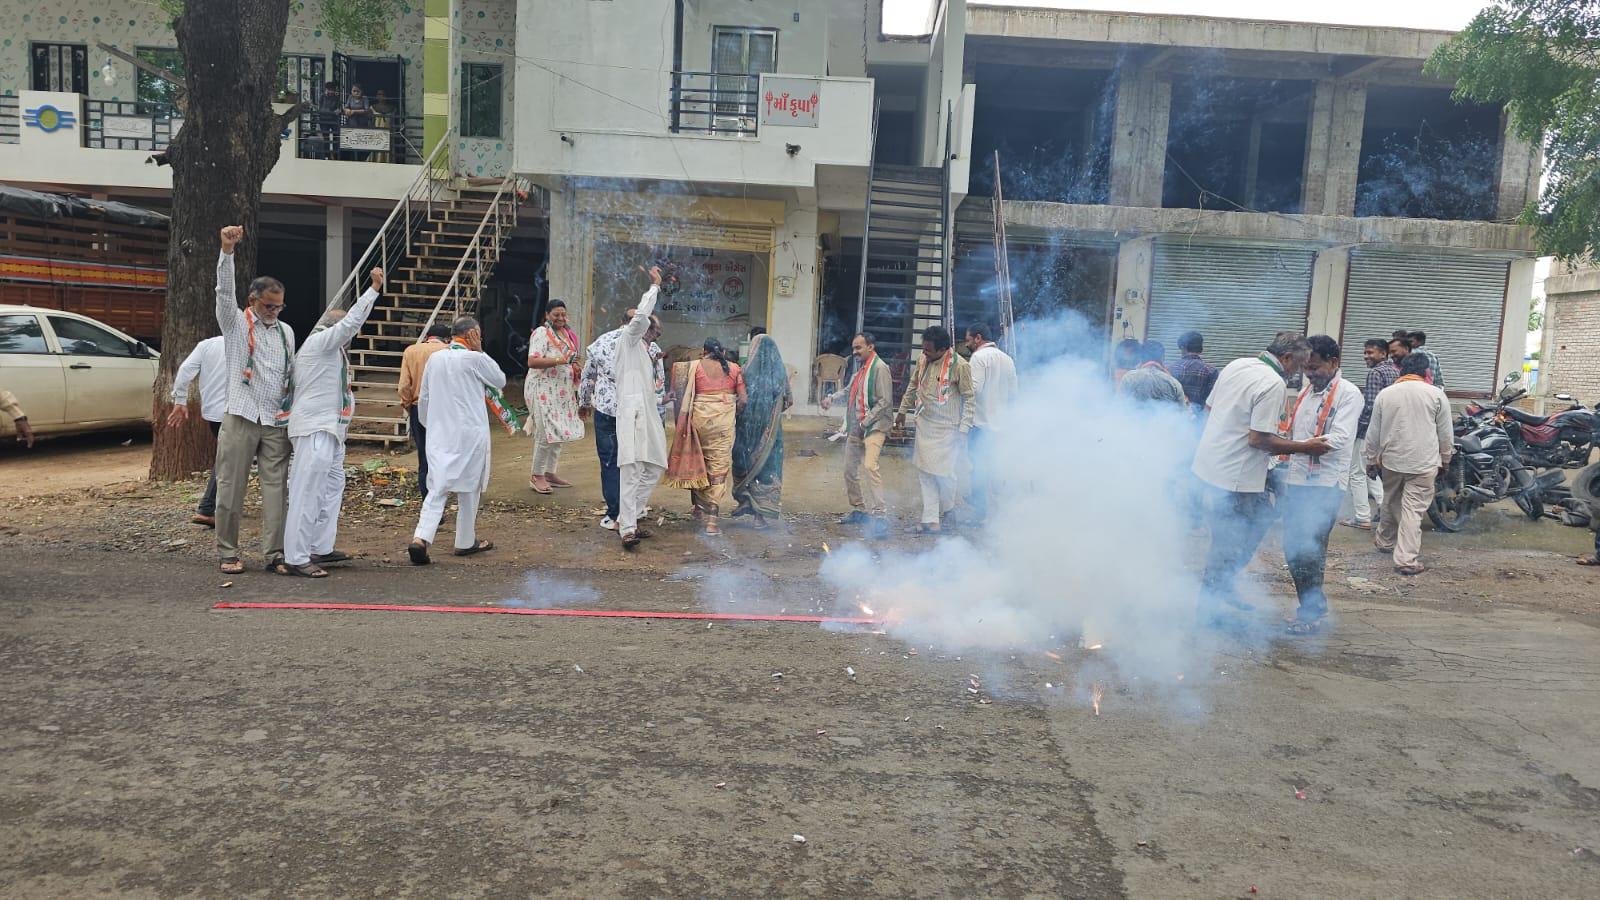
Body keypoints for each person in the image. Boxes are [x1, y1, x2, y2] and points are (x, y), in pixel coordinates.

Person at [166, 225, 295, 576]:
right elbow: (224, 293)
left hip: (275, 419)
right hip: (240, 415)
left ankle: (275, 554)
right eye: (269, 306)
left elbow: (290, 373)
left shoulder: (286, 332)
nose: (275, 312)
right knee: (230, 487)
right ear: (253, 301)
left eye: (280, 307)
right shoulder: (237, 325)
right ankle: (227, 552)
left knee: (275, 492)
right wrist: (227, 251)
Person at [1191, 332, 1331, 626]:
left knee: (1246, 526)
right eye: (1299, 365)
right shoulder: (1272, 383)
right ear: (1287, 358)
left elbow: (1209, 410)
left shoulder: (1237, 364)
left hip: (1209, 467)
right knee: (1230, 540)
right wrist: (1305, 447)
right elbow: (1259, 439)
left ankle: (1221, 589)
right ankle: (1208, 610)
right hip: (1235, 477)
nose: (1299, 374)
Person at [279, 266, 383, 577]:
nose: (351, 337)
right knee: (308, 491)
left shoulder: (333, 352)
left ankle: (320, 547)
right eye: (347, 331)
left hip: (331, 430)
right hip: (315, 429)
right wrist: (373, 291)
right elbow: (350, 323)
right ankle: (296, 557)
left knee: (332, 486)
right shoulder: (320, 342)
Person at [408, 316, 512, 565]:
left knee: (437, 488)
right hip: (469, 434)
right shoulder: (474, 358)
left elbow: (424, 400)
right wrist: (481, 351)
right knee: (470, 487)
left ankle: (421, 538)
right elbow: (500, 380)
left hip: (440, 434)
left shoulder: (436, 358)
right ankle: (465, 541)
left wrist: (430, 426)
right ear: (473, 334)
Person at [1277, 336, 1363, 634]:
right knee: (1294, 547)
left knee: (1309, 549)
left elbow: (1339, 438)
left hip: (1325, 485)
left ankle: (1311, 613)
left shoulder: (1349, 394)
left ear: (1334, 363)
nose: (1309, 374)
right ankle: (1311, 607)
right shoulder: (1307, 392)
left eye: (1314, 368)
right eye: (1305, 369)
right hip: (1297, 480)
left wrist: (1295, 446)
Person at [579, 300, 667, 532]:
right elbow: (658, 385)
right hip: (632, 414)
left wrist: (584, 401)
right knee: (632, 464)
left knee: (612, 463)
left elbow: (588, 376)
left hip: (608, 411)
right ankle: (626, 514)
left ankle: (617, 513)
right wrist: (658, 415)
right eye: (652, 329)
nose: (653, 334)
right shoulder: (647, 346)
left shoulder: (602, 342)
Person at [1364, 352, 1453, 576]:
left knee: (1391, 499)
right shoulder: (1436, 395)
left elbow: (1373, 432)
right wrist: (1446, 459)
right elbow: (1445, 433)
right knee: (1413, 510)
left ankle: (1385, 541)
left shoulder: (1386, 394)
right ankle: (1405, 559)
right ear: (1427, 372)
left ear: (1401, 371)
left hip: (1392, 460)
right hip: (1423, 462)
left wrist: (1370, 459)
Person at [896, 325, 975, 534]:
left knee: (945, 474)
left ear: (943, 350)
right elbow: (913, 386)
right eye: (924, 348)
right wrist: (902, 411)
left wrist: (964, 429)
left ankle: (949, 511)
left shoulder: (961, 366)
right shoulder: (922, 360)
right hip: (925, 425)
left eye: (929, 350)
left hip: (948, 429)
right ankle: (931, 520)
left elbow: (969, 399)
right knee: (925, 472)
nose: (924, 353)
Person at [610, 267, 669, 549]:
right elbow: (641, 316)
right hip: (631, 415)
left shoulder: (645, 351)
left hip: (647, 415)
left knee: (656, 465)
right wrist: (654, 287)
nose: (650, 328)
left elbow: (647, 389)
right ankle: (628, 529)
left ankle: (626, 517)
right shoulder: (627, 339)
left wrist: (662, 400)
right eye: (645, 324)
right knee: (631, 470)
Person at [667, 338, 747, 535]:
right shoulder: (735, 368)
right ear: (722, 350)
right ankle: (712, 523)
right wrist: (729, 412)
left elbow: (677, 389)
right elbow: (743, 400)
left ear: (704, 351)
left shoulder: (693, 367)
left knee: (697, 460)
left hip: (698, 421)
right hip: (723, 425)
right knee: (717, 469)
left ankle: (697, 508)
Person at [821, 332, 894, 537]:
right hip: (856, 427)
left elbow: (885, 401)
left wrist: (865, 422)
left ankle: (880, 516)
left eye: (858, 348)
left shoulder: (880, 368)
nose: (854, 352)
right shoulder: (861, 370)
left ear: (870, 347)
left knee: (870, 466)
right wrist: (830, 398)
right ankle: (859, 510)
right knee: (849, 470)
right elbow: (847, 390)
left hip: (874, 426)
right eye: (853, 348)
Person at [731, 327, 792, 527]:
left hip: (746, 433)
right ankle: (759, 517)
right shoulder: (779, 373)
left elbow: (737, 400)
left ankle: (745, 501)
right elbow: (788, 401)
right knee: (766, 469)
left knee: (744, 465)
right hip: (771, 435)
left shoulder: (745, 371)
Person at [523, 300, 584, 495]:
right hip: (542, 388)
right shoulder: (542, 333)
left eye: (563, 315)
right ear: (547, 315)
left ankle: (550, 473)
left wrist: (573, 367)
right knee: (545, 433)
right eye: (556, 315)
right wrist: (561, 360)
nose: (560, 318)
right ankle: (536, 475)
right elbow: (532, 361)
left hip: (562, 390)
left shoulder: (566, 334)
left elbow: (569, 360)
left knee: (559, 431)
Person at [170, 335, 228, 526]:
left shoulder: (207, 345)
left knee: (228, 457)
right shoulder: (251, 343)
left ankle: (213, 507)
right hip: (236, 413)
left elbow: (186, 370)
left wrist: (180, 400)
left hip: (212, 413)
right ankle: (208, 507)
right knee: (228, 459)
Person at [1343, 338, 1400, 530]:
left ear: (1383, 354)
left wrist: (1358, 430)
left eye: (1370, 352)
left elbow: (1371, 406)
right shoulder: (1395, 371)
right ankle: (1386, 512)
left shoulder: (1376, 373)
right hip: (1387, 431)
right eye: (1365, 352)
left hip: (1369, 431)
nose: (1366, 356)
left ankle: (1362, 517)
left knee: (1356, 473)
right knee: (1371, 472)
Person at [963, 322, 1017, 523]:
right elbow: (1014, 394)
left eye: (968, 340)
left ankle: (980, 513)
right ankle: (999, 513)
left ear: (978, 338)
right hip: (1001, 426)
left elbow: (973, 389)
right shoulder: (1008, 359)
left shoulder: (978, 357)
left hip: (981, 424)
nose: (966, 344)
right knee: (995, 468)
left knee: (978, 468)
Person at [398, 322, 451, 502]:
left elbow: (404, 385)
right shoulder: (450, 351)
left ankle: (428, 501)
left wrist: (407, 405)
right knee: (444, 455)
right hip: (444, 408)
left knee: (424, 457)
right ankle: (442, 497)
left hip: (418, 407)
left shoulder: (411, 351)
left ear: (428, 336)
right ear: (447, 338)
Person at [1117, 340, 1187, 407]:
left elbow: (1119, 405)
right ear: (1162, 358)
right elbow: (1182, 412)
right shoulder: (1173, 383)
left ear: (1141, 357)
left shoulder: (1129, 378)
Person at [1168, 330, 1219, 409]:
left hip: (1173, 417)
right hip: (1199, 419)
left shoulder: (1170, 369)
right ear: (1200, 347)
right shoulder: (1211, 371)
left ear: (1183, 347)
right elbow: (1213, 400)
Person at [370, 89, 395, 164]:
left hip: (389, 133)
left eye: (383, 94)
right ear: (376, 96)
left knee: (388, 148)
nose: (381, 96)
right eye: (379, 94)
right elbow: (370, 121)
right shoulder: (372, 107)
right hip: (377, 133)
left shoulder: (392, 108)